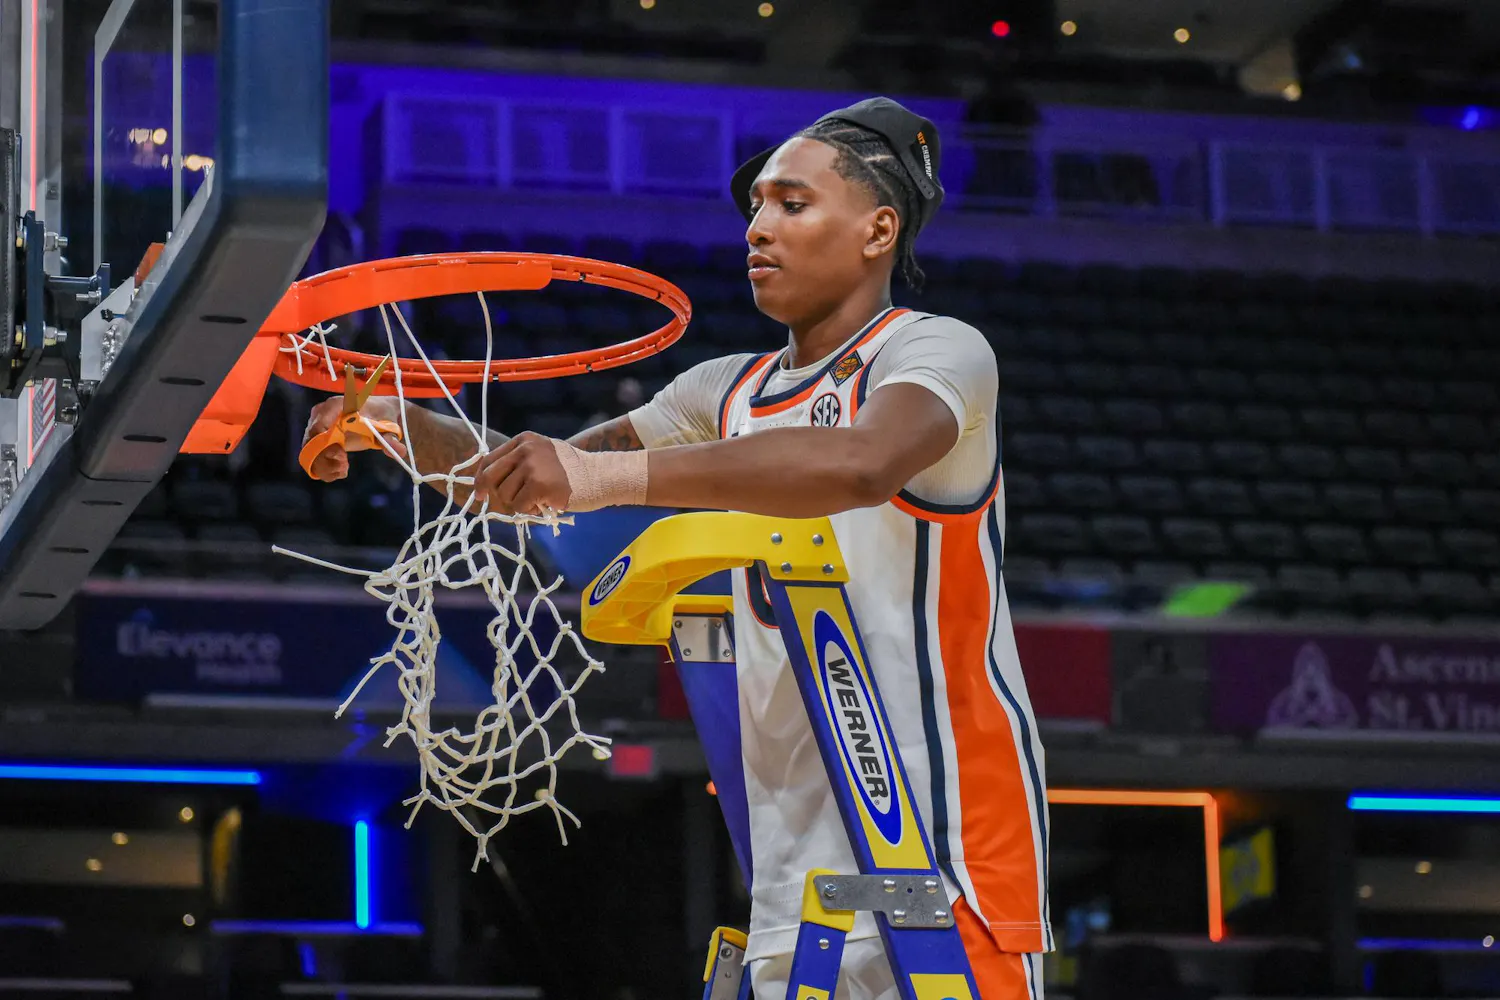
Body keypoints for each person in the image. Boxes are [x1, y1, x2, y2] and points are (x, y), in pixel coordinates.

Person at [303, 97, 1050, 1000]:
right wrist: (385, 418)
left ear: (878, 228)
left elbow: (860, 463)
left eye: (791, 203)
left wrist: (597, 480)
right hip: (794, 883)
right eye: (755, 209)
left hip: (950, 851)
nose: (758, 228)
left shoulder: (936, 351)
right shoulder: (720, 390)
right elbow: (537, 479)